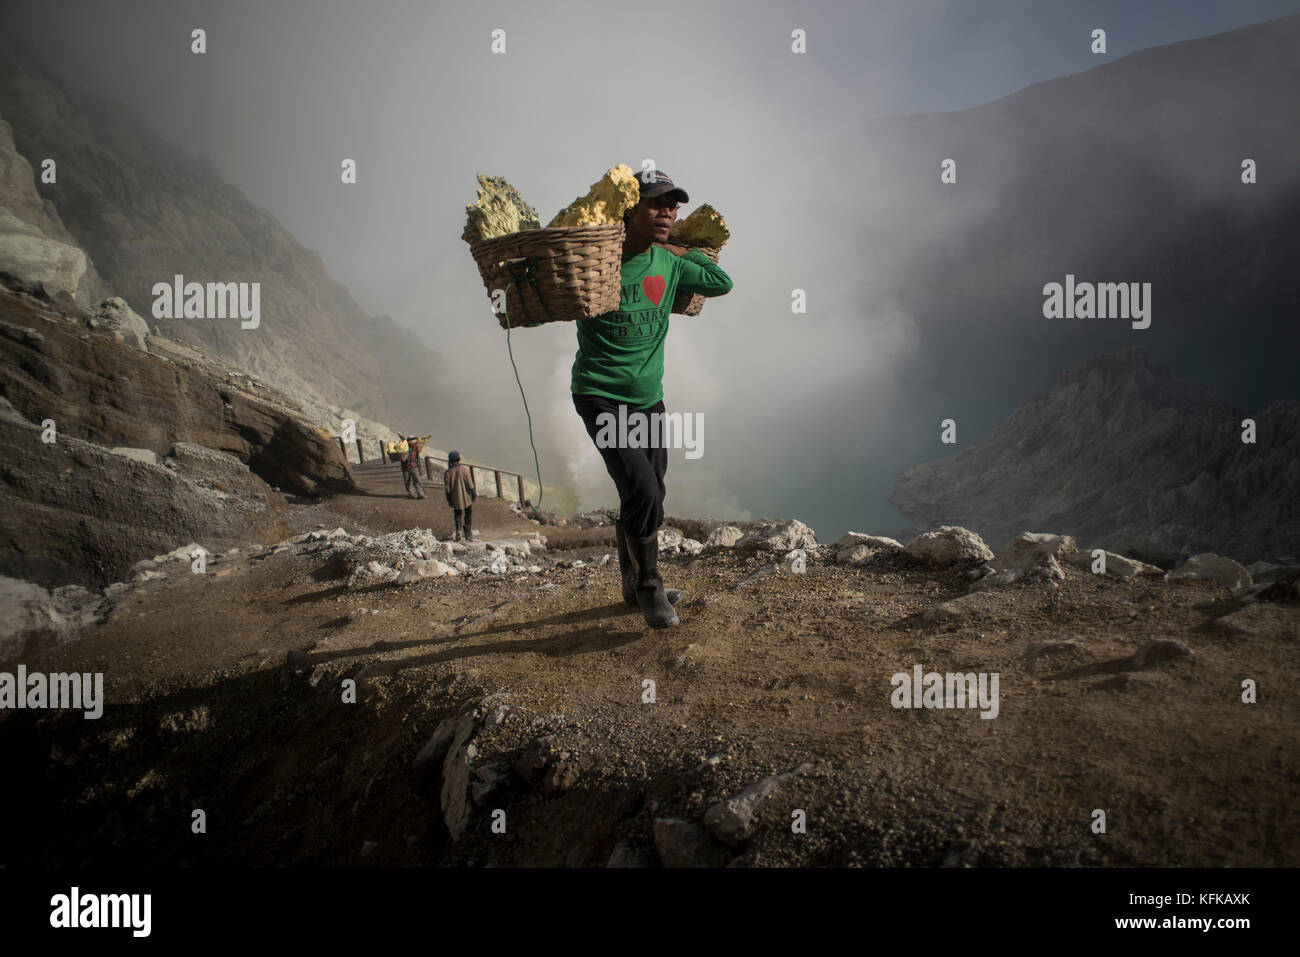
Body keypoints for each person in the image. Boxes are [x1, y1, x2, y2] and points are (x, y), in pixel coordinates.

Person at [571, 168, 733, 627]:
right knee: (641, 488)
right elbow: (549, 299)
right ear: (630, 210)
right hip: (600, 395)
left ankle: (630, 579)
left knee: (651, 492)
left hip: (648, 399)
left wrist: (678, 249)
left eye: (672, 206)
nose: (667, 212)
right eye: (656, 203)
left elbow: (721, 282)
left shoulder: (669, 263)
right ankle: (649, 587)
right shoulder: (596, 263)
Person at [444, 450, 477, 542]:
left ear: (450, 461)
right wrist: (474, 495)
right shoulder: (464, 470)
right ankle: (468, 533)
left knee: (457, 514)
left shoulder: (448, 473)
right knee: (468, 514)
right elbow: (470, 485)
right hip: (466, 497)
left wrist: (449, 500)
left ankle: (458, 530)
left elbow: (447, 490)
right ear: (458, 459)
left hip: (455, 498)